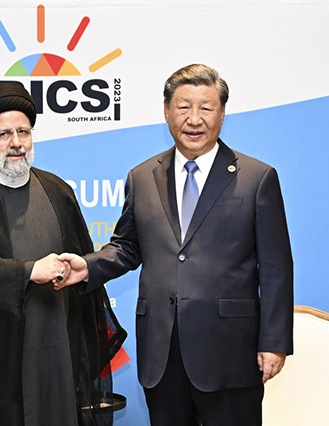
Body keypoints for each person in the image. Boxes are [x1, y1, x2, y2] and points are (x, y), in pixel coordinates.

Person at [59, 64, 294, 426]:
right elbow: (127, 246)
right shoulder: (142, 177)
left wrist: (274, 341)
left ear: (222, 113)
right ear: (167, 111)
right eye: (184, 107)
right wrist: (88, 266)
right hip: (162, 352)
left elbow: (276, 268)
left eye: (206, 108)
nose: (194, 119)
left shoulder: (256, 178)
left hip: (230, 351)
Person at [0, 83, 125, 426]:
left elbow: (82, 258)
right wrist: (29, 271)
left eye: (23, 131)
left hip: (56, 341)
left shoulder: (57, 190)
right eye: (4, 134)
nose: (16, 142)